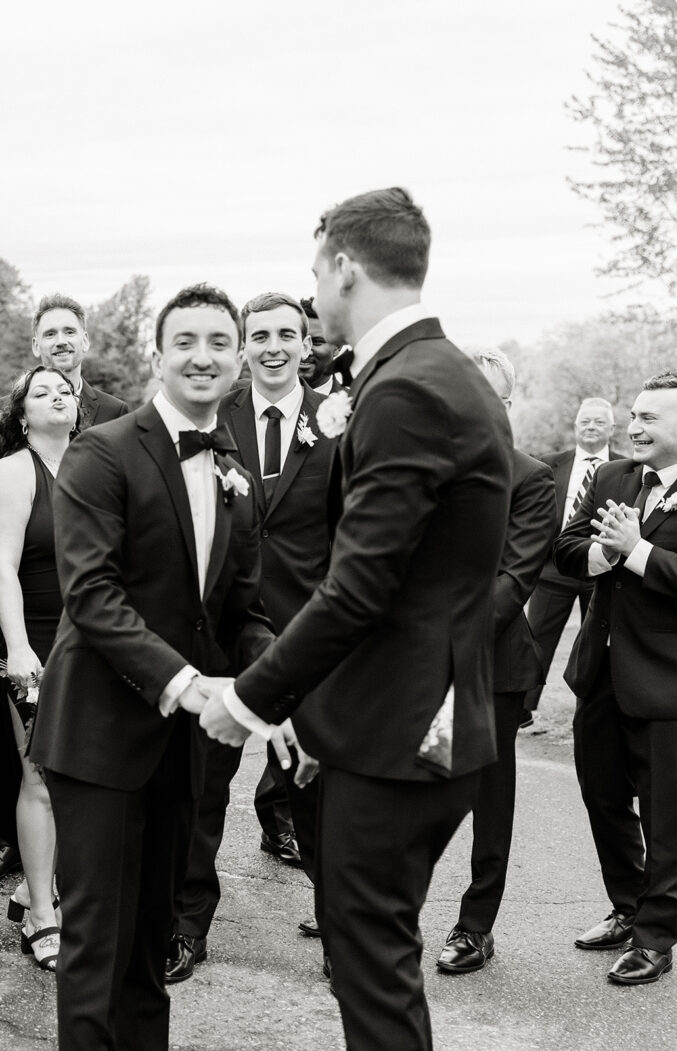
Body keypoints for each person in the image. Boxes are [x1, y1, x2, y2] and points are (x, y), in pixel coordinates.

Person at [199, 187, 513, 1050]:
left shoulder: (408, 386)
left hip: (401, 731)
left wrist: (253, 700)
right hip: (419, 719)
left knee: (368, 961)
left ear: (344, 265)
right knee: (376, 953)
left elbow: (359, 585)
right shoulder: (435, 371)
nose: (313, 293)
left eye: (315, 274)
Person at [29, 284, 274, 1050]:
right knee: (97, 947)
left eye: (217, 342)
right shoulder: (104, 451)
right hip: (100, 738)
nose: (203, 356)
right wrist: (188, 685)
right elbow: (93, 596)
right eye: (186, 341)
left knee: (152, 945)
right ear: (160, 355)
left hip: (181, 749)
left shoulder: (235, 470)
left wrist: (281, 689)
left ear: (236, 358)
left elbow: (244, 613)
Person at [166, 292, 336, 982]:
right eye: (258, 334)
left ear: (305, 344)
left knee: (318, 791)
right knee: (202, 790)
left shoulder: (339, 421)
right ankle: (184, 928)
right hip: (219, 634)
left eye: (285, 334)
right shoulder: (212, 413)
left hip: (308, 632)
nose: (271, 346)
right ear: (242, 345)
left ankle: (341, 930)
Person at [554, 370, 677, 986]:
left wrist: (638, 551)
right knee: (603, 797)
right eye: (632, 415)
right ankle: (626, 906)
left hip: (674, 683)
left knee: (666, 814)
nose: (632, 426)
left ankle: (655, 937)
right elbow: (565, 547)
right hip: (601, 673)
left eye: (648, 419)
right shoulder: (612, 477)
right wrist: (604, 552)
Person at [437, 349, 557, 974]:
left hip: (492, 665)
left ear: (507, 403)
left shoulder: (532, 477)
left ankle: (476, 926)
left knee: (489, 797)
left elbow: (514, 581)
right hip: (411, 664)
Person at [0, 365, 79, 971]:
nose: (58, 395)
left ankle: (35, 882)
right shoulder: (14, 472)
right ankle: (40, 914)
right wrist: (19, 647)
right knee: (40, 780)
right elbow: (1, 567)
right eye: (41, 391)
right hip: (39, 638)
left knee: (84, 777)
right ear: (22, 414)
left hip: (94, 641)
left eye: (66, 389)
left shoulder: (95, 465)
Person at [523, 398, 621, 723]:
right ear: (576, 426)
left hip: (602, 572)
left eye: (598, 422)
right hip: (553, 568)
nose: (591, 427)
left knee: (596, 644)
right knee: (536, 638)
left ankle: (592, 712)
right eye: (585, 421)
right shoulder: (549, 464)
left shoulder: (626, 470)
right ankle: (522, 709)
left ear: (612, 428)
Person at [31, 294, 129, 426]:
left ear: (85, 341)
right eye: (50, 334)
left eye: (69, 332)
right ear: (36, 346)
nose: (61, 342)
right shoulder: (4, 412)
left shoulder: (115, 412)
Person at [298, 297, 343, 395]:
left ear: (337, 347)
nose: (306, 352)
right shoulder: (260, 403)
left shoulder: (356, 406)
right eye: (298, 341)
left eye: (317, 342)